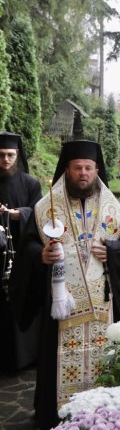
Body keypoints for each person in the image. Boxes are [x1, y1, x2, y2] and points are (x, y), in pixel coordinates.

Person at [11, 140, 120, 430]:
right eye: (78, 168)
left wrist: (113, 250)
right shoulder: (46, 208)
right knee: (55, 362)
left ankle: (102, 415)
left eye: (88, 168)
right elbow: (27, 246)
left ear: (97, 170)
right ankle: (55, 417)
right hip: (62, 306)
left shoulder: (113, 208)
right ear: (66, 170)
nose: (83, 174)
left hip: (101, 305)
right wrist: (40, 255)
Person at [0, 132, 42, 371]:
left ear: (17, 156)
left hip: (22, 253)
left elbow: (39, 214)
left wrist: (18, 214)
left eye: (10, 155)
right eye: (1, 155)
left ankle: (26, 357)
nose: (5, 160)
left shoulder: (31, 183)